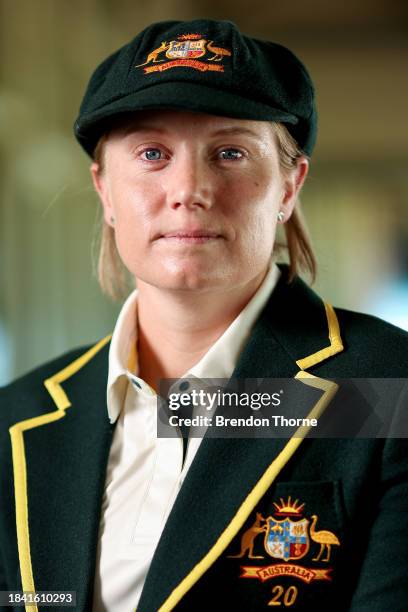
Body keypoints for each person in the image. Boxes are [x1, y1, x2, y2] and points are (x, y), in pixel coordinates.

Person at [1, 18, 407, 612]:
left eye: (230, 152)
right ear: (106, 191)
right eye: (152, 153)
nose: (189, 188)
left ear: (289, 187)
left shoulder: (389, 388)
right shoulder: (17, 420)